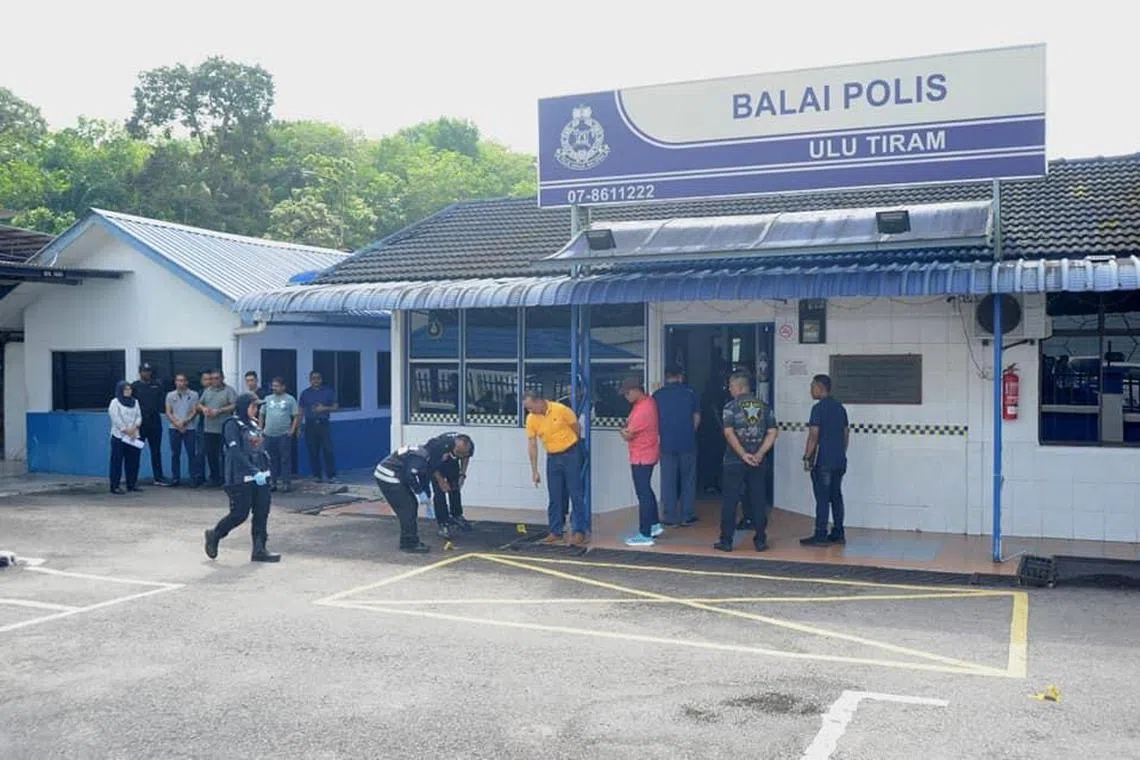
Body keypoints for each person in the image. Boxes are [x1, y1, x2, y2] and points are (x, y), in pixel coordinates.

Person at [203, 393, 281, 563]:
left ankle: (259, 550)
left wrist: (265, 471)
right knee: (239, 514)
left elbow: (260, 450)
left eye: (257, 406)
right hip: (240, 477)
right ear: (244, 406)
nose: (256, 410)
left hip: (260, 477)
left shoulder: (253, 424)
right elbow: (235, 452)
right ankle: (215, 534)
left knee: (262, 512)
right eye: (253, 406)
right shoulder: (232, 424)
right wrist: (252, 471)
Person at [716, 371, 779, 553]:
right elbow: (772, 432)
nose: (729, 389)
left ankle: (726, 540)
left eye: (731, 386)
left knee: (730, 500)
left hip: (734, 460)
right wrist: (759, 454)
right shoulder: (764, 407)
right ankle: (760, 540)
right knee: (758, 499)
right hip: (758, 461)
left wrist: (743, 454)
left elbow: (728, 433)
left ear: (740, 387)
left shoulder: (730, 407)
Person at [524, 390, 589, 546]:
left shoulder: (561, 410)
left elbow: (576, 428)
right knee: (555, 495)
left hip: (571, 453)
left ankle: (579, 531)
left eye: (531, 407)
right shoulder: (531, 419)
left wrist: (572, 447)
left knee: (576, 493)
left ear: (539, 401)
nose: (529, 411)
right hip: (552, 457)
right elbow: (532, 445)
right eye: (527, 408)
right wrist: (534, 470)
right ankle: (555, 531)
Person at [801, 374, 850, 546]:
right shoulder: (840, 408)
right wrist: (840, 452)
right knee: (836, 496)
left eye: (812, 386)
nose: (810, 390)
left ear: (820, 388)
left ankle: (820, 534)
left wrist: (807, 456)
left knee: (822, 498)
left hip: (823, 461)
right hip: (839, 460)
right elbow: (846, 434)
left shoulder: (818, 409)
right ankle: (838, 532)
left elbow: (813, 435)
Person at [653, 364, 701, 527]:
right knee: (688, 479)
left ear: (666, 376)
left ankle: (670, 517)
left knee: (668, 480)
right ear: (680, 376)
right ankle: (687, 515)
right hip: (687, 442)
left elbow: (653, 419)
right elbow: (696, 417)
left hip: (666, 443)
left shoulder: (657, 395)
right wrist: (690, 432)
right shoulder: (690, 393)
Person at [620, 378, 663, 547]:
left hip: (641, 456)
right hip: (648, 453)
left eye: (627, 393)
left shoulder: (642, 410)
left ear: (636, 390)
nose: (626, 397)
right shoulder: (648, 402)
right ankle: (654, 524)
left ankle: (645, 533)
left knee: (643, 494)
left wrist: (623, 432)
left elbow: (628, 433)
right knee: (647, 491)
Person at [373, 444, 434, 553]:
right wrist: (419, 492)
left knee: (411, 504)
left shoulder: (422, 453)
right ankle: (408, 544)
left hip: (394, 475)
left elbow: (422, 476)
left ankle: (411, 540)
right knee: (408, 508)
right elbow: (410, 475)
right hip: (389, 476)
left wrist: (427, 494)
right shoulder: (421, 457)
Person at [423, 432, 475, 540]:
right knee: (439, 493)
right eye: (459, 453)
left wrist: (462, 474)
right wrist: (441, 481)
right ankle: (443, 523)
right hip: (435, 466)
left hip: (451, 463)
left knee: (455, 488)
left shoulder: (467, 445)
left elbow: (466, 458)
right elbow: (430, 464)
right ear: (454, 446)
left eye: (463, 453)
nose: (461, 455)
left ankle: (457, 515)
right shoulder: (438, 445)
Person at [131, 363, 168, 486]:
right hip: (140, 425)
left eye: (148, 371)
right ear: (140, 372)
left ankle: (158, 477)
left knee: (156, 451)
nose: (147, 373)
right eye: (144, 371)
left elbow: (162, 402)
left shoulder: (157, 385)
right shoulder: (134, 386)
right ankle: (132, 478)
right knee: (135, 451)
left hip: (155, 423)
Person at [260, 377, 300, 493]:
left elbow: (296, 416)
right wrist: (260, 429)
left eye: (277, 386)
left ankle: (286, 483)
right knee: (270, 460)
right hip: (268, 434)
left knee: (285, 459)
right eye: (273, 386)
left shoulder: (290, 399)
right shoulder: (267, 399)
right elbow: (262, 414)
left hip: (283, 434)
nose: (274, 388)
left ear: (283, 387)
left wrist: (292, 430)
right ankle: (272, 482)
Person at [198, 370, 237, 487]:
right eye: (212, 378)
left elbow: (234, 405)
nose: (214, 381)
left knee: (224, 454)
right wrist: (204, 409)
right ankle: (214, 478)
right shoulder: (207, 390)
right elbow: (198, 404)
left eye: (217, 378)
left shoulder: (229, 391)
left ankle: (226, 479)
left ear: (222, 378)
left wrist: (219, 411)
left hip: (224, 428)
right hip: (209, 429)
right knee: (211, 454)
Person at [299, 371, 339, 483]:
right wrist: (299, 427)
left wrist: (324, 408)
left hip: (323, 424)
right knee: (313, 451)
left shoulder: (328, 392)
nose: (315, 380)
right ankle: (317, 476)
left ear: (321, 379)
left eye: (317, 378)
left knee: (328, 450)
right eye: (313, 378)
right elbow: (301, 410)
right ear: (310, 380)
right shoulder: (305, 393)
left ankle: (331, 476)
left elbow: (336, 407)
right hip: (310, 424)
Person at [108, 381, 143, 495]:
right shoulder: (115, 402)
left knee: (133, 461)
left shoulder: (135, 402)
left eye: (129, 389)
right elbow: (115, 417)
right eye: (125, 389)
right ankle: (115, 486)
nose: (128, 391)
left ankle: (132, 484)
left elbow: (139, 416)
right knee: (117, 461)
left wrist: (135, 427)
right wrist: (125, 430)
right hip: (119, 436)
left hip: (133, 436)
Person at [165, 373, 200, 487]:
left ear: (187, 382)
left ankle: (193, 478)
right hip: (174, 428)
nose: (181, 383)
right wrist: (177, 423)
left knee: (191, 453)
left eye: (183, 380)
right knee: (175, 454)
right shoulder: (170, 395)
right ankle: (175, 478)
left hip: (189, 428)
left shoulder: (194, 394)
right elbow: (168, 412)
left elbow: (194, 411)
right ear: (175, 382)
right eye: (178, 380)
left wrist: (184, 422)